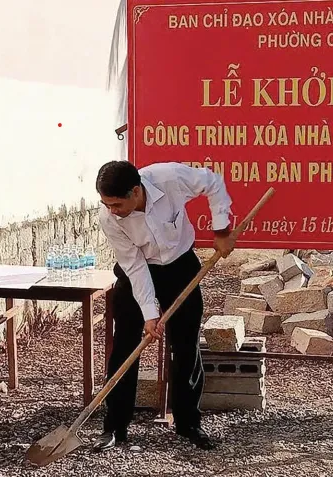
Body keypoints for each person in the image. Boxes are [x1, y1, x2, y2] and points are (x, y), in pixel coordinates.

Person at [92, 160, 237, 452]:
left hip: (181, 266)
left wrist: (221, 229)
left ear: (136, 191)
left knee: (185, 346)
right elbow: (134, 267)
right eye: (106, 204)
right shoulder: (109, 219)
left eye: (117, 204)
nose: (112, 210)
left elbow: (213, 183)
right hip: (139, 271)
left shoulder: (169, 178)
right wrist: (149, 314)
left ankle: (188, 423)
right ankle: (115, 426)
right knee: (125, 347)